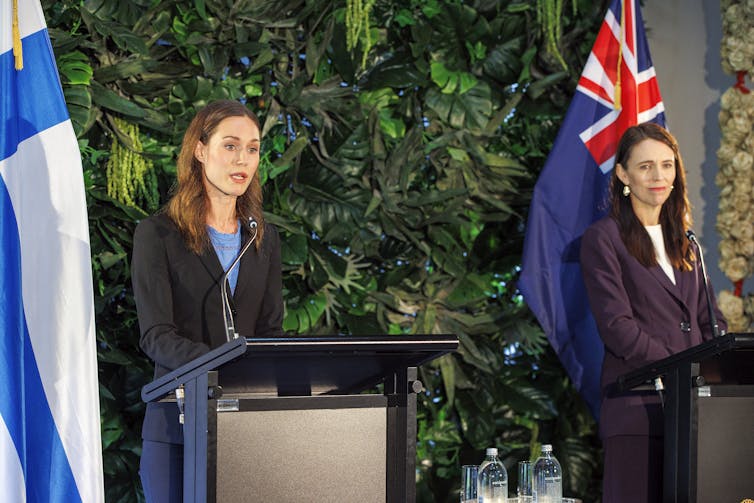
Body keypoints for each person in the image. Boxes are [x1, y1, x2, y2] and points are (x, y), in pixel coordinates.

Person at [131, 99, 284, 502]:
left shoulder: (262, 239)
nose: (243, 160)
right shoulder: (158, 235)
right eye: (230, 145)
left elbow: (269, 332)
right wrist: (221, 369)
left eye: (253, 148)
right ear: (200, 151)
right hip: (176, 426)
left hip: (245, 428)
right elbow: (156, 335)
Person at [579, 123, 726, 503]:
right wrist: (683, 366)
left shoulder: (687, 241)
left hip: (695, 412)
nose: (658, 176)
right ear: (624, 175)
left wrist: (716, 370)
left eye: (666, 165)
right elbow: (617, 327)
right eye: (645, 167)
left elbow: (711, 321)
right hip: (637, 408)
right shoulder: (604, 238)